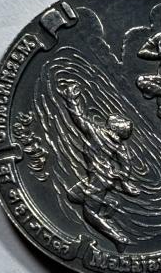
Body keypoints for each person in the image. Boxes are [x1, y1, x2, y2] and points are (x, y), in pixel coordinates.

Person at [58, 81, 139, 250]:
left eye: (117, 120)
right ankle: (111, 204)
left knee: (89, 213)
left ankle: (119, 238)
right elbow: (126, 164)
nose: (115, 117)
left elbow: (79, 119)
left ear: (114, 127)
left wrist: (71, 100)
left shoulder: (96, 132)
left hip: (99, 178)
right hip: (104, 177)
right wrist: (123, 179)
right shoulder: (120, 146)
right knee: (73, 195)